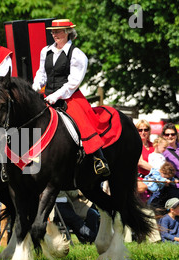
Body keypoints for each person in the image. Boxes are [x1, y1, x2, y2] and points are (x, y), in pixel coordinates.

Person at [32, 19, 109, 176]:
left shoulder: (77, 55)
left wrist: (55, 96)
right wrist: (33, 89)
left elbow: (73, 83)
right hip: (48, 95)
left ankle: (98, 159)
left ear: (67, 32)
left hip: (69, 96)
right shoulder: (45, 51)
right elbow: (41, 74)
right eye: (53, 32)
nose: (54, 34)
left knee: (82, 121)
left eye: (58, 31)